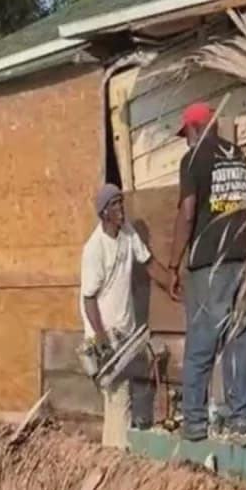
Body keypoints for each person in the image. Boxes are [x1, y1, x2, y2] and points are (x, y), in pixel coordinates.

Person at [166, 102, 246, 441]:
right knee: (241, 337)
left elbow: (188, 213)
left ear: (192, 129)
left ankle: (193, 423)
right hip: (245, 257)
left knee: (202, 340)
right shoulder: (240, 157)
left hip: (211, 262)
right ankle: (242, 417)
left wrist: (174, 264)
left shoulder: (192, 159)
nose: (186, 141)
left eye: (185, 134)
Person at [80, 183, 173, 448]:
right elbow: (89, 301)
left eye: (121, 202)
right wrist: (102, 342)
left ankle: (112, 455)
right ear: (104, 213)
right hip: (106, 336)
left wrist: (173, 284)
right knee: (119, 397)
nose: (121, 208)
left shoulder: (128, 232)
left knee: (120, 400)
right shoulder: (94, 249)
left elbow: (149, 263)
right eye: (115, 204)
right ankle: (118, 456)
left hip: (128, 334)